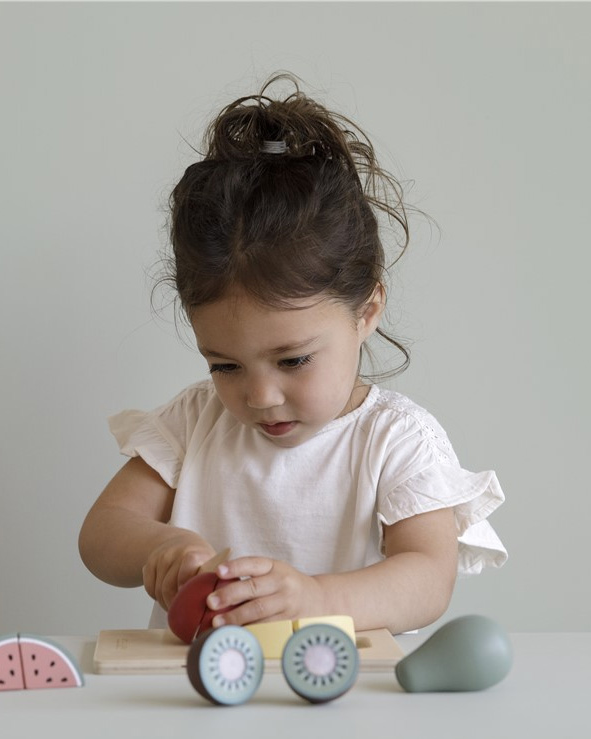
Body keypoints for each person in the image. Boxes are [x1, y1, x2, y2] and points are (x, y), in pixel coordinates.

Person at [79, 74, 507, 635]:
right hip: (194, 698)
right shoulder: (193, 423)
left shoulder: (396, 440)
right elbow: (102, 532)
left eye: (293, 360)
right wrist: (161, 545)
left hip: (334, 701)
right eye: (224, 365)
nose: (259, 396)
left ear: (367, 311)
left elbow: (428, 579)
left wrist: (314, 598)